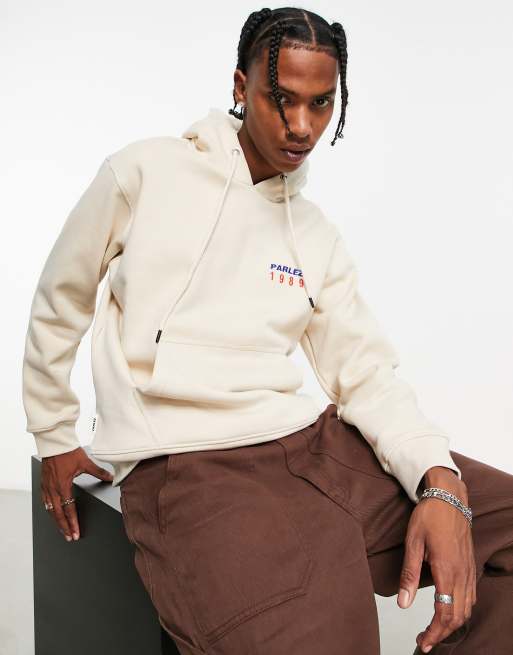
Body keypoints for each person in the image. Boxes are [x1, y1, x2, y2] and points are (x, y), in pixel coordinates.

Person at [21, 6, 513, 654]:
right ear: (240, 86)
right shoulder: (145, 173)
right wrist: (53, 430)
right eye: (283, 99)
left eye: (320, 103)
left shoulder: (314, 235)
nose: (302, 125)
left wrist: (437, 478)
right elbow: (62, 294)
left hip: (314, 444)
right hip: (192, 465)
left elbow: (365, 374)